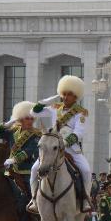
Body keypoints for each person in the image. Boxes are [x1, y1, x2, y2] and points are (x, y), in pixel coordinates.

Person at [28, 75, 92, 213]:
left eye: (69, 95)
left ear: (76, 97)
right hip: (52, 148)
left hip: (71, 149)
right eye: (64, 94)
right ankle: (33, 200)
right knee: (34, 170)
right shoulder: (54, 108)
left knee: (86, 171)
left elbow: (79, 133)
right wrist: (43, 102)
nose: (65, 97)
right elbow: (33, 112)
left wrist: (65, 143)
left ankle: (85, 200)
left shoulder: (81, 113)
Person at [0, 100, 41, 209]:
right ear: (21, 118)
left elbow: (29, 151)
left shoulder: (37, 134)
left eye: (32, 118)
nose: (30, 121)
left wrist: (14, 159)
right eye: (27, 118)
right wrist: (6, 124)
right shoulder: (12, 131)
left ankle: (34, 216)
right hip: (9, 170)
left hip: (26, 169)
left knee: (31, 194)